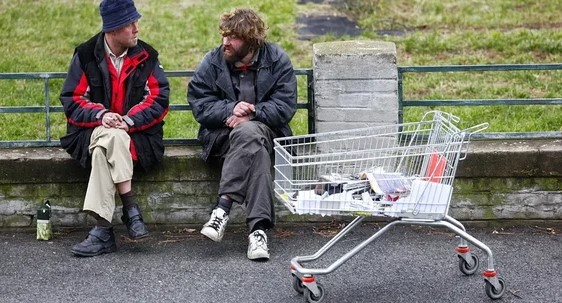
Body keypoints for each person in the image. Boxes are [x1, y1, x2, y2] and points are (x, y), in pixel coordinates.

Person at [59, 0, 170, 257]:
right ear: (113, 28)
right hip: (90, 131)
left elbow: (158, 99)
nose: (136, 28)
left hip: (138, 138)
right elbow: (72, 100)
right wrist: (102, 115)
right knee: (109, 137)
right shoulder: (86, 54)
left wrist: (127, 120)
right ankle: (130, 209)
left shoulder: (147, 56)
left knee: (105, 147)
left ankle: (103, 231)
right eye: (130, 23)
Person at [188, 8, 297, 261]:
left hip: (268, 131)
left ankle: (222, 209)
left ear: (250, 40)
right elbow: (199, 103)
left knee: (251, 133)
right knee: (254, 148)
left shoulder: (277, 59)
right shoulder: (213, 61)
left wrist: (254, 112)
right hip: (223, 136)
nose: (225, 42)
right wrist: (230, 108)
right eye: (224, 35)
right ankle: (258, 232)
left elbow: (285, 106)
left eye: (233, 37)